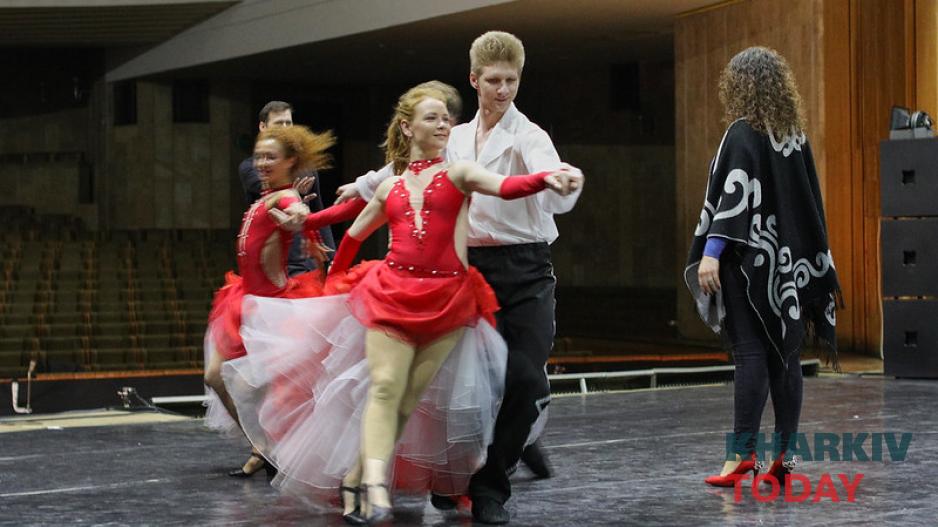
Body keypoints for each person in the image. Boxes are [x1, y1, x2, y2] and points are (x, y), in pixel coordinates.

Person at [222, 84, 581, 525]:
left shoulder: (460, 170)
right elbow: (352, 222)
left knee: (411, 397)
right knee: (386, 389)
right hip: (393, 291)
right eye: (433, 117)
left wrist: (547, 177)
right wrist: (322, 260)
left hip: (448, 299)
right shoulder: (392, 179)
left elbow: (507, 186)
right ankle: (372, 482)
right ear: (409, 127)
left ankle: (365, 474)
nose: (445, 122)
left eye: (447, 117)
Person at [334, 32, 583, 524]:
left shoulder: (529, 135)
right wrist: (357, 189)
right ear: (475, 80)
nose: (503, 89)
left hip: (527, 270)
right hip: (469, 272)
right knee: (461, 389)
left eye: (511, 80)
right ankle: (456, 482)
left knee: (526, 379)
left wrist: (561, 180)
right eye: (494, 80)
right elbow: (404, 169)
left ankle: (491, 484)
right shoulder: (458, 135)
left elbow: (544, 175)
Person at [684, 47, 840, 488]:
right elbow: (807, 206)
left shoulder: (741, 133)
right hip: (790, 268)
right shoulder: (795, 137)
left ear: (739, 86)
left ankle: (741, 456)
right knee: (786, 354)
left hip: (749, 265)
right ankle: (786, 459)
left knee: (751, 352)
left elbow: (731, 197)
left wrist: (711, 253)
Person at [202, 124, 335, 478]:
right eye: (259, 155)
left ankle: (274, 449)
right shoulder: (263, 197)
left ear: (290, 162)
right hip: (241, 299)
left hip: (271, 309)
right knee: (215, 376)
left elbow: (297, 213)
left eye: (270, 157)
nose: (261, 162)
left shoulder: (284, 197)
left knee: (259, 389)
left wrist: (299, 216)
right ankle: (263, 446)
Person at [239, 101, 336, 274]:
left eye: (288, 123)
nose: (285, 128)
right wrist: (295, 194)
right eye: (278, 123)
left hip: (304, 257)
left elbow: (318, 210)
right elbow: (270, 193)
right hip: (271, 257)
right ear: (263, 126)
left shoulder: (307, 169)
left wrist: (332, 256)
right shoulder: (250, 167)